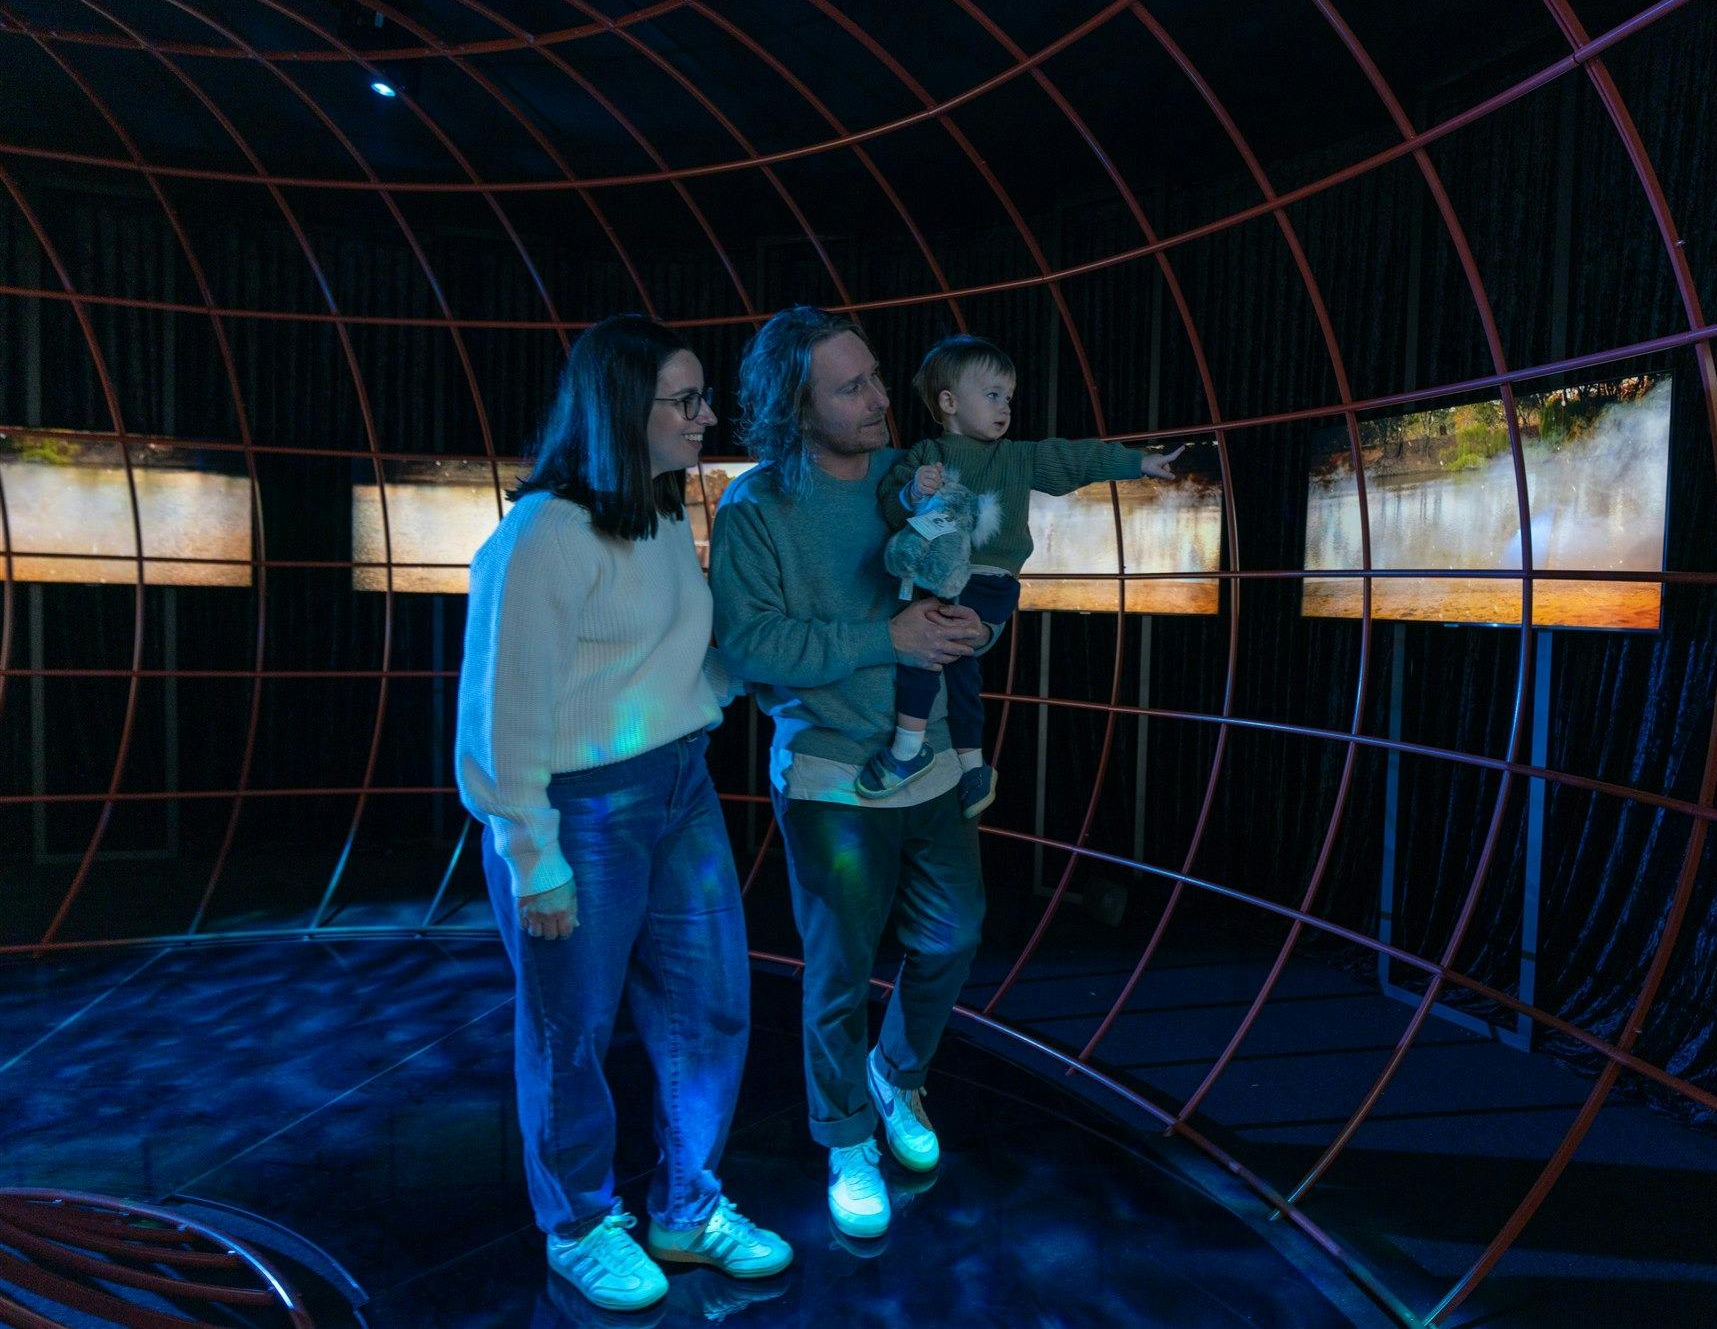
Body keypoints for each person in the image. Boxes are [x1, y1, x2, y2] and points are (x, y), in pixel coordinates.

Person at [456, 314, 790, 1312]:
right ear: (620, 410)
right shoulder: (543, 537)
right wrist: (531, 854)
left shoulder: (652, 518)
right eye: (684, 401)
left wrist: (819, 642)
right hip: (580, 811)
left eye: (703, 397)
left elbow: (680, 665)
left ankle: (687, 1209)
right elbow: (500, 713)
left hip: (679, 787)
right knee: (573, 1031)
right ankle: (580, 1224)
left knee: (711, 1007)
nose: (707, 416)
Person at [708, 306, 996, 1241]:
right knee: (838, 972)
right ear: (797, 406)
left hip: (935, 759)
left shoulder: (913, 476)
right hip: (832, 780)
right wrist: (889, 636)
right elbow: (752, 644)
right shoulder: (755, 509)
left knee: (954, 936)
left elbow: (961, 579)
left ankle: (897, 1075)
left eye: (876, 377)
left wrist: (973, 623)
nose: (880, 398)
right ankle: (845, 1141)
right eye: (853, 387)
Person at [866, 334, 1181, 814]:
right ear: (949, 402)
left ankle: (909, 752)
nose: (1004, 407)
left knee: (928, 657)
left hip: (988, 580)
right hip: (939, 575)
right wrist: (912, 492)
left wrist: (1137, 462)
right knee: (954, 665)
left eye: (1007, 398)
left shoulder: (1017, 456)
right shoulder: (926, 455)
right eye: (992, 395)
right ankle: (972, 767)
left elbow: (1075, 459)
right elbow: (892, 505)